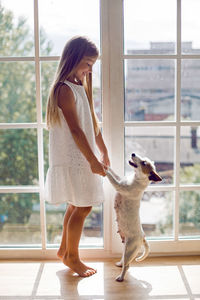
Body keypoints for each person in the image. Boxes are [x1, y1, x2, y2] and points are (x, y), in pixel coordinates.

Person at [44, 36, 110, 277]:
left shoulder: (80, 86)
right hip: (75, 156)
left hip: (85, 154)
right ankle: (73, 257)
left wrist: (103, 150)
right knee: (83, 206)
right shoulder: (63, 89)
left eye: (93, 64)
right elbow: (75, 129)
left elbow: (92, 123)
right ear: (73, 60)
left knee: (76, 204)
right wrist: (92, 159)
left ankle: (64, 250)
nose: (90, 69)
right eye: (87, 63)